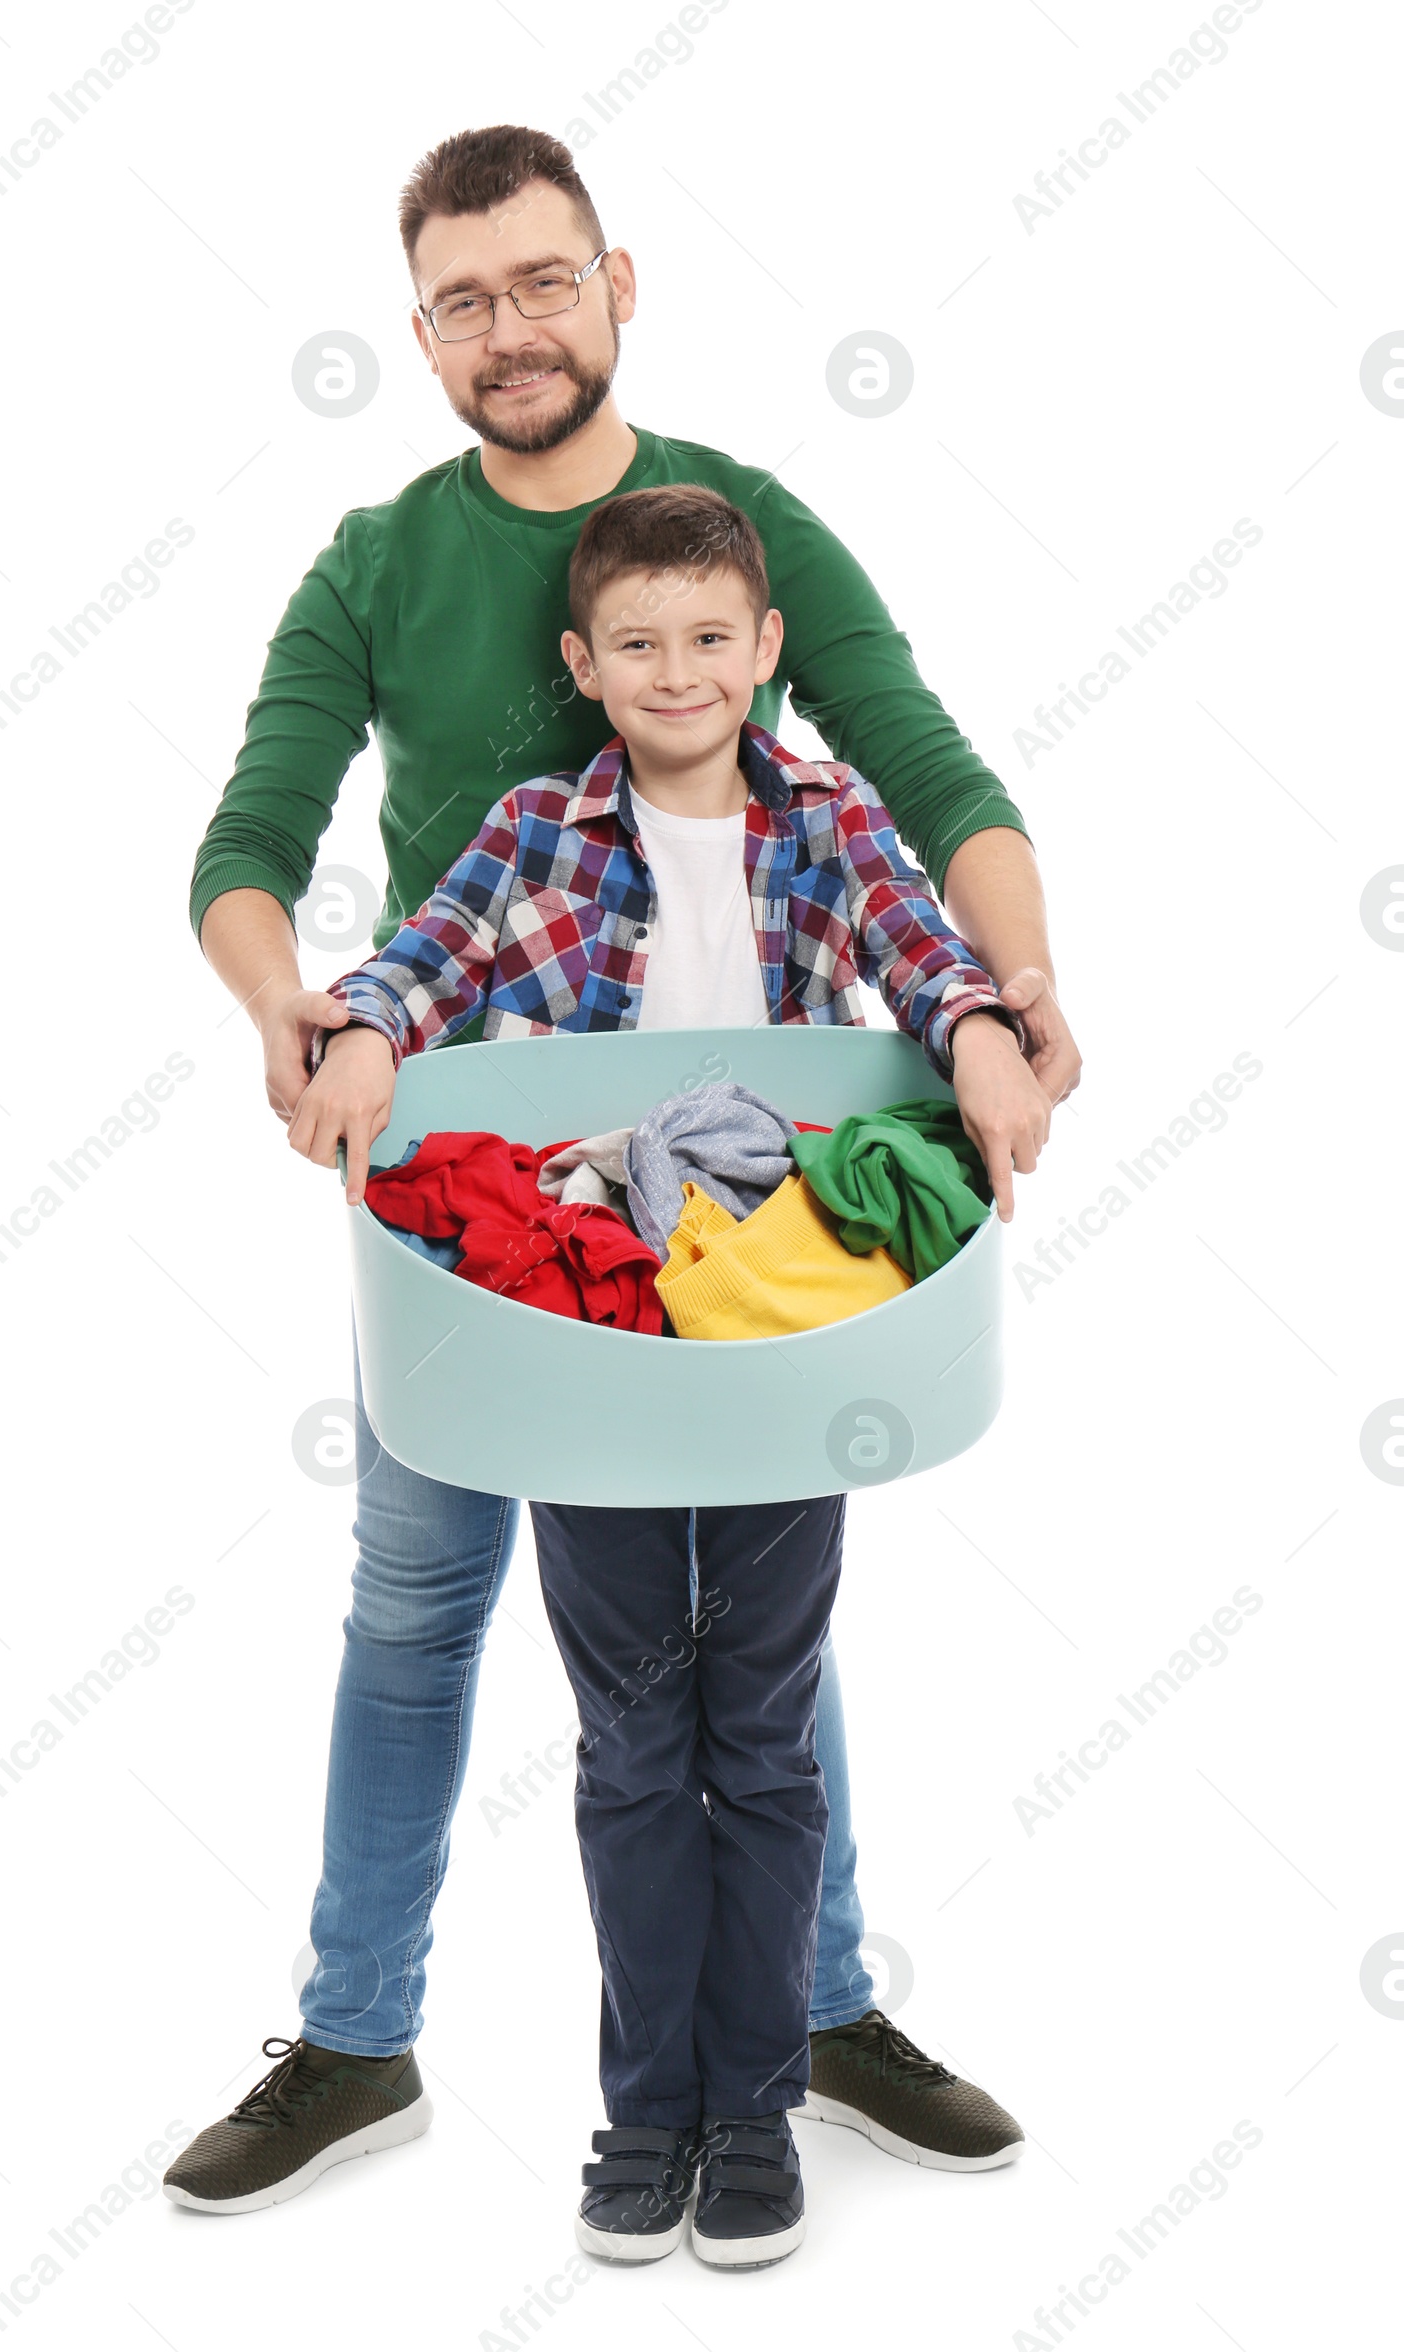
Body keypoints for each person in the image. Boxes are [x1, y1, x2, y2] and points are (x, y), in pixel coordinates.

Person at [165, 122, 1076, 2218]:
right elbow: (251, 841)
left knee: (752, 1637)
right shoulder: (376, 561)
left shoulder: (739, 529)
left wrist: (1008, 1003)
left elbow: (921, 782)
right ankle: (356, 2035)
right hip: (481, 1187)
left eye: (542, 280)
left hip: (750, 1219)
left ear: (617, 284)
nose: (509, 328)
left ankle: (805, 2014)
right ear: (420, 334)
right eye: (463, 298)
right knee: (419, 1607)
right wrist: (302, 1020)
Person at [282, 482, 1047, 2266]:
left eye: (713, 640)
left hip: (778, 1325)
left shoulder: (832, 814)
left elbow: (930, 962)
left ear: (766, 652)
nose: (679, 672)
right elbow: (425, 958)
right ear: (586, 662)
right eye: (639, 645)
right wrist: (366, 1034)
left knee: (764, 1737)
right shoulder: (540, 822)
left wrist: (996, 1032)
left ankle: (759, 2106)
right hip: (596, 1336)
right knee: (631, 1741)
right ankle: (647, 2117)